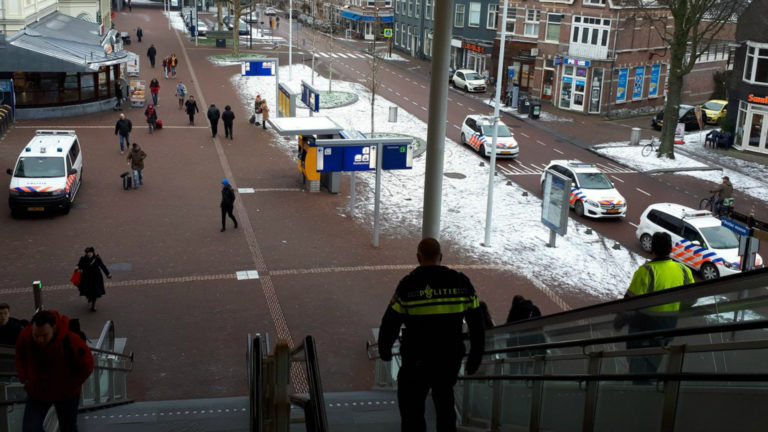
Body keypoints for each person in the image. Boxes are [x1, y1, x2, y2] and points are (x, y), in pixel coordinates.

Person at [378, 238, 485, 432]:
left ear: (418, 257)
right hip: (449, 359)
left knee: (412, 411)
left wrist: (384, 349)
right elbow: (477, 324)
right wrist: (475, 356)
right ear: (441, 257)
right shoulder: (462, 283)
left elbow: (390, 322)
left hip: (417, 360)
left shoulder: (408, 285)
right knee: (445, 402)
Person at [615, 232, 693, 379]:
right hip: (668, 326)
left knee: (636, 361)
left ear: (653, 249)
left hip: (644, 327)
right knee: (655, 358)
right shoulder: (684, 270)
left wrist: (620, 319)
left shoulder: (646, 271)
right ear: (670, 249)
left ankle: (637, 385)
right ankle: (649, 380)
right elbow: (691, 300)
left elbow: (629, 302)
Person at [15, 310, 94, 432]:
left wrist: (70, 385)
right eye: (36, 335)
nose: (40, 340)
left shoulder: (71, 341)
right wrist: (24, 377)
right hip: (38, 391)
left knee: (68, 427)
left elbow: (87, 365)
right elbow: (19, 355)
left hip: (65, 394)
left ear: (54, 328)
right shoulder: (26, 336)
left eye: (44, 335)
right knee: (30, 429)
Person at [76, 247, 112, 312]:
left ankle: (93, 306)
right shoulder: (83, 259)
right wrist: (77, 268)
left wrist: (108, 274)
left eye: (90, 252)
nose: (89, 254)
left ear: (93, 252)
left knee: (95, 293)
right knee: (88, 292)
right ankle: (89, 298)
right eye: (87, 253)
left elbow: (102, 266)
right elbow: (79, 265)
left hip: (96, 278)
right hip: (86, 278)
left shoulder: (97, 259)